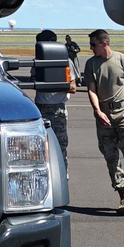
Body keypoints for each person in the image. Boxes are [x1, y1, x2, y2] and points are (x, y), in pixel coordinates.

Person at [84, 28, 124, 218]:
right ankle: (123, 197)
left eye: (93, 44)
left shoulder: (123, 60)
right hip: (104, 114)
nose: (91, 48)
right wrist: (97, 111)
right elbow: (91, 90)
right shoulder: (91, 64)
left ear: (104, 43)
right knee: (111, 158)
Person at [33, 27, 76, 174]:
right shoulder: (38, 62)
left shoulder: (65, 62)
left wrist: (54, 82)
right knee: (40, 146)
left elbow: (73, 87)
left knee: (60, 145)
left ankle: (63, 175)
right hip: (41, 107)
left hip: (57, 108)